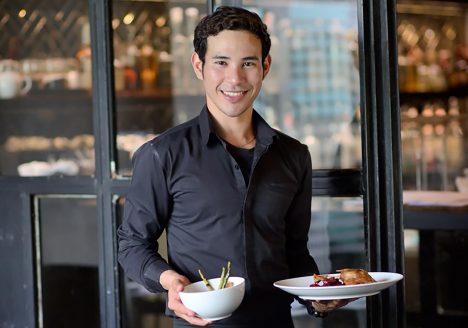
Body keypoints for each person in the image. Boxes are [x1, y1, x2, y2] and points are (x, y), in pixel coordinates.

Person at [118, 6, 352, 327]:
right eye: (221, 62)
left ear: (265, 66)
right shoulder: (162, 154)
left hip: (276, 321)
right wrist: (169, 280)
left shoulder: (295, 155)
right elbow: (132, 245)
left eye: (248, 63)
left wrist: (318, 298)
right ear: (198, 66)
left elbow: (294, 250)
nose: (235, 78)